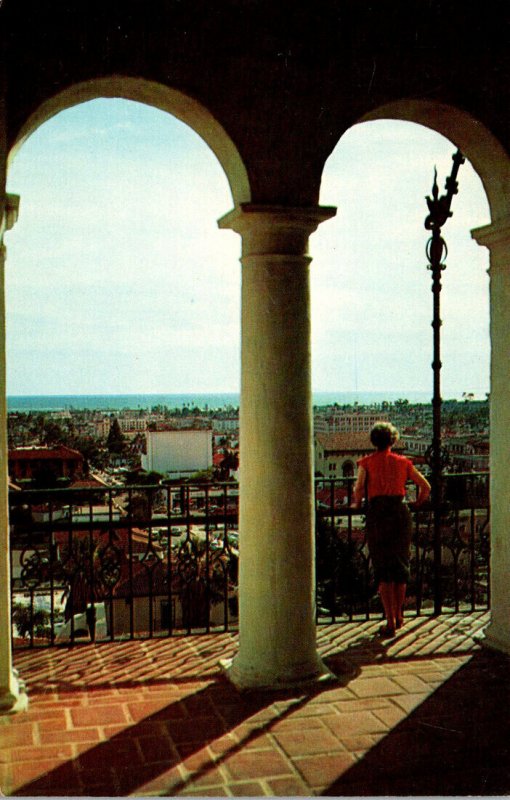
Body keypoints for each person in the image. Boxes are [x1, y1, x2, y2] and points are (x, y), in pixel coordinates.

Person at [352, 422, 431, 637]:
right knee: (400, 566)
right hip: (400, 513)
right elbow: (426, 486)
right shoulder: (403, 462)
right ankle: (400, 616)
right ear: (393, 440)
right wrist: (416, 504)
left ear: (373, 441)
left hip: (378, 514)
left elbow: (359, 489)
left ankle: (389, 620)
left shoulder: (366, 463)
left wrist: (355, 505)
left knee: (383, 568)